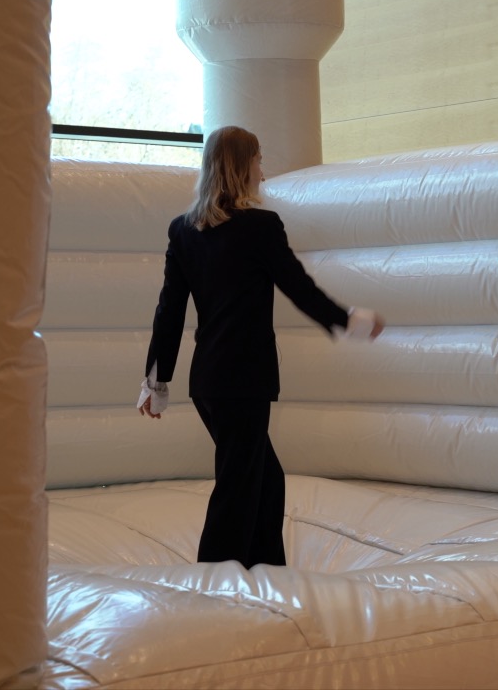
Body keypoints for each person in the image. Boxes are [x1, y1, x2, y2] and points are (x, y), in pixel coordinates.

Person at [137, 126, 383, 570]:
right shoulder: (260, 227)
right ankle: (212, 582)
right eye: (258, 160)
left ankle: (267, 573)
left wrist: (156, 381)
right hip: (244, 380)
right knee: (238, 487)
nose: (262, 171)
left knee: (266, 481)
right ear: (241, 166)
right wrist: (350, 320)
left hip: (209, 383)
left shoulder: (184, 230)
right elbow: (298, 287)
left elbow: (168, 311)